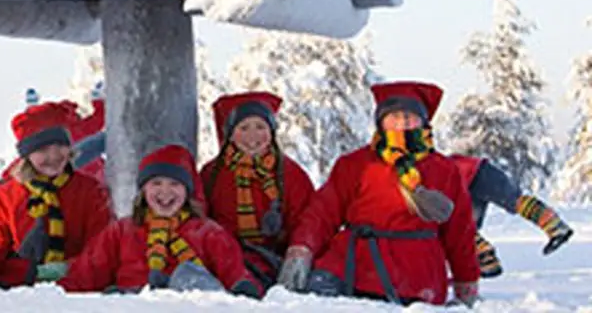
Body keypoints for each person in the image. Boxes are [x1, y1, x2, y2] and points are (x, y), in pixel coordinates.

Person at [277, 81, 480, 307]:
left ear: (424, 122)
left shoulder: (444, 170)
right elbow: (323, 211)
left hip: (416, 273)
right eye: (394, 117)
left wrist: (466, 280)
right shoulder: (354, 164)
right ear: (381, 122)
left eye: (409, 117)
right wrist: (302, 248)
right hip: (352, 263)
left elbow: (459, 231)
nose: (402, 124)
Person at [0, 101, 113, 291]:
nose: (54, 156)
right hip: (17, 294)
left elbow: (102, 249)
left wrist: (66, 269)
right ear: (26, 156)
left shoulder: (91, 192)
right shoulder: (5, 198)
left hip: (77, 291)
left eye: (60, 145)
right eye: (42, 150)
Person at [56, 143, 260, 297]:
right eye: (156, 183)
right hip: (132, 304)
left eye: (174, 184)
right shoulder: (122, 231)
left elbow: (233, 271)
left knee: (186, 273)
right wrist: (58, 294)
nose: (165, 192)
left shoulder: (207, 232)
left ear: (187, 192)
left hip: (187, 305)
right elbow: (88, 273)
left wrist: (243, 287)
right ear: (143, 190)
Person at [199, 91, 315, 291]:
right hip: (227, 258)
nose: (252, 137)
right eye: (243, 128)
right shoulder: (212, 174)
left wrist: (299, 249)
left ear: (272, 131)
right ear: (230, 134)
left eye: (260, 127)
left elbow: (307, 219)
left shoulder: (290, 174)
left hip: (276, 259)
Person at [447, 154, 574, 277]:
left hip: (475, 175)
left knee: (459, 228)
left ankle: (487, 261)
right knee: (514, 201)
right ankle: (488, 262)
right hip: (479, 171)